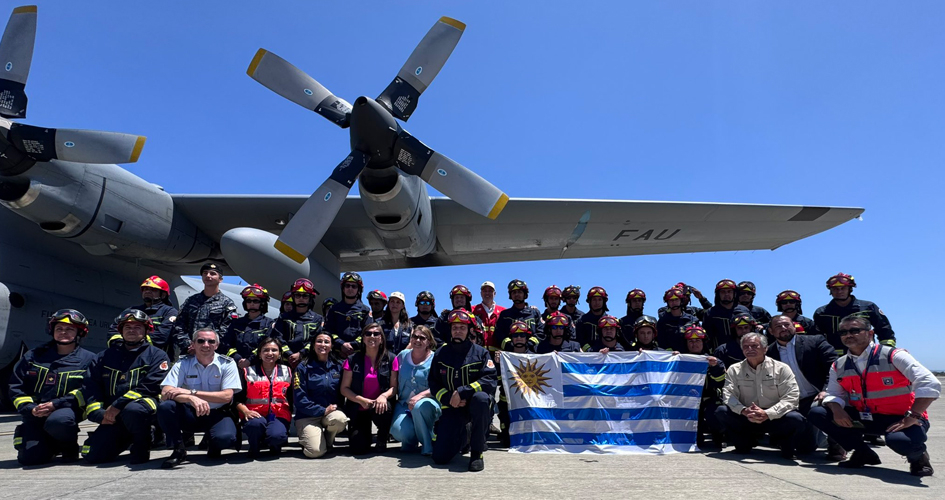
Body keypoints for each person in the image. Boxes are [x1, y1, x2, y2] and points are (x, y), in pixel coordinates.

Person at [808, 315, 940, 476]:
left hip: (902, 418)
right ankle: (862, 452)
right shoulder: (839, 364)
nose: (848, 335)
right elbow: (833, 393)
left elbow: (929, 383)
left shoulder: (893, 355)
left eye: (855, 330)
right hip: (867, 418)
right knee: (818, 412)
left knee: (901, 441)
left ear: (870, 334)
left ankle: (918, 457)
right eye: (843, 332)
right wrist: (836, 409)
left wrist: (914, 415)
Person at [80, 310, 170, 464]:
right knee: (93, 455)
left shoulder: (157, 356)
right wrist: (98, 413)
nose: (132, 331)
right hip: (113, 415)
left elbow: (150, 386)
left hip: (141, 411)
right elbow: (91, 385)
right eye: (127, 327)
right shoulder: (104, 357)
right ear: (120, 331)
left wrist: (117, 405)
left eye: (137, 327)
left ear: (147, 331)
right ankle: (125, 436)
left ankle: (144, 442)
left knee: (133, 410)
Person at [10, 309, 96, 465]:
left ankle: (68, 446)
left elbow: (87, 389)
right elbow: (16, 386)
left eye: (69, 329)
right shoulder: (33, 356)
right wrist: (30, 408)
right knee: (30, 459)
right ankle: (46, 443)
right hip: (35, 412)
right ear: (52, 331)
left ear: (80, 333)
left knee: (60, 421)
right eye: (59, 329)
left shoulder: (89, 359)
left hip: (66, 410)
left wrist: (55, 404)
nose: (63, 332)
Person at [158, 328, 242, 468]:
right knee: (166, 407)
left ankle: (213, 442)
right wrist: (190, 399)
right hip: (190, 413)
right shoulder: (183, 363)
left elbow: (227, 396)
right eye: (201, 341)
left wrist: (192, 393)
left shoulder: (227, 363)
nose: (206, 344)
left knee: (225, 439)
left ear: (216, 345)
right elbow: (166, 392)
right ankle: (179, 450)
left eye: (211, 341)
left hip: (217, 413)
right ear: (193, 344)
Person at [714, 332, 805, 459]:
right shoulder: (734, 369)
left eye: (754, 346)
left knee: (796, 418)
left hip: (775, 417)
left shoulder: (782, 368)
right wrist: (744, 410)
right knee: (721, 411)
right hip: (746, 416)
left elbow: (792, 397)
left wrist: (768, 413)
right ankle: (744, 443)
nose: (749, 349)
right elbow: (728, 395)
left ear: (765, 348)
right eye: (746, 346)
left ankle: (783, 443)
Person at [766, 315, 843, 459]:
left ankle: (836, 445)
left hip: (817, 396)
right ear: (771, 331)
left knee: (827, 407)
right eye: (778, 326)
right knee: (805, 448)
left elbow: (835, 367)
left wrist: (825, 390)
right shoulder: (769, 353)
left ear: (793, 326)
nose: (783, 328)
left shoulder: (815, 341)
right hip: (791, 403)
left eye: (787, 325)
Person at [429, 309, 497, 471]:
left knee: (481, 399)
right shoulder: (441, 354)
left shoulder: (481, 353)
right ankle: (465, 436)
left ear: (469, 331)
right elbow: (433, 382)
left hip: (475, 406)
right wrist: (448, 398)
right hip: (452, 406)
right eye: (454, 328)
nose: (457, 331)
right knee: (440, 458)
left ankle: (477, 452)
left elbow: (489, 380)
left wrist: (462, 392)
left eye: (462, 328)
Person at [340, 322, 397, 455]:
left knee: (386, 407)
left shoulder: (391, 358)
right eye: (368, 334)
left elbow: (394, 388)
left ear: (381, 338)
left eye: (376, 334)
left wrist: (383, 396)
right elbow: (344, 388)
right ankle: (364, 434)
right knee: (358, 448)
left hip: (379, 406)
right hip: (359, 407)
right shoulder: (352, 359)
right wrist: (360, 400)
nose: (372, 336)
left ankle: (382, 437)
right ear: (363, 338)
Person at [293, 332, 348, 459]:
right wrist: (322, 410)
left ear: (332, 346)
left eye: (326, 342)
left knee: (340, 419)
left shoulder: (339, 366)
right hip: (308, 416)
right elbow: (299, 398)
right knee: (315, 452)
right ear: (313, 345)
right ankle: (310, 438)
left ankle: (328, 441)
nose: (322, 345)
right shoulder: (302, 367)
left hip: (330, 413)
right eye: (319, 341)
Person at [234, 337, 292, 458]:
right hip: (254, 414)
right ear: (259, 354)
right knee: (255, 425)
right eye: (265, 350)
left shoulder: (288, 371)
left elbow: (291, 397)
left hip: (279, 415)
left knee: (277, 436)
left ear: (280, 354)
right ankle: (254, 447)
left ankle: (273, 443)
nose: (270, 353)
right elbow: (236, 399)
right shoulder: (247, 372)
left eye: (274, 350)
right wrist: (246, 411)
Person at [813, 272, 895, 356]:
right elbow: (817, 338)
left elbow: (884, 330)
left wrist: (887, 352)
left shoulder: (869, 308)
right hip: (834, 359)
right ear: (830, 291)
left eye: (843, 288)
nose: (839, 291)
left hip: (867, 356)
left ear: (850, 289)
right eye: (835, 289)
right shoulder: (821, 313)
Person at [390, 325, 440, 455]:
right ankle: (412, 440)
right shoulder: (402, 356)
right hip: (404, 404)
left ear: (429, 341)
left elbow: (439, 385)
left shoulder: (435, 359)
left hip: (428, 403)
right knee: (397, 431)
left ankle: (427, 445)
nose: (417, 340)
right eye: (414, 337)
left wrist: (421, 396)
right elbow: (394, 382)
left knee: (419, 407)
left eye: (422, 338)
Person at [170, 263, 238, 355]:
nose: (208, 276)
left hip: (214, 354)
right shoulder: (191, 301)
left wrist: (207, 347)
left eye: (212, 273)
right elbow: (179, 325)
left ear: (220, 279)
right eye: (205, 273)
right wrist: (188, 345)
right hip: (190, 352)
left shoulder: (227, 303)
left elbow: (227, 331)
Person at [108, 275, 179, 358]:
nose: (147, 291)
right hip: (127, 358)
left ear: (163, 295)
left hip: (155, 359)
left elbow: (161, 337)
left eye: (153, 290)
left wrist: (134, 344)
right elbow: (113, 331)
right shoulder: (131, 310)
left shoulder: (169, 312)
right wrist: (121, 344)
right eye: (145, 289)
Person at [678, 325, 725, 449]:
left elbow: (721, 382)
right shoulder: (680, 361)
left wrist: (715, 368)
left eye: (698, 341)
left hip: (709, 399)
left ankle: (718, 437)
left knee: (716, 414)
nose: (694, 344)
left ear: (704, 342)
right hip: (688, 401)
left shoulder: (714, 361)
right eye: (691, 341)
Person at [497, 321, 539, 447]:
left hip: (529, 400)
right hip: (508, 401)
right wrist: (498, 363)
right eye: (515, 336)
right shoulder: (503, 357)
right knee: (507, 442)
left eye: (522, 336)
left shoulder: (536, 358)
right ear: (511, 339)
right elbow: (497, 379)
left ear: (527, 338)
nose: (519, 338)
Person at [221, 284, 275, 369]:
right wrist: (237, 358)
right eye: (249, 301)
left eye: (255, 301)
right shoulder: (236, 324)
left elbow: (268, 345)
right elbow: (226, 344)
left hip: (261, 368)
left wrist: (250, 360)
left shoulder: (269, 324)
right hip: (237, 366)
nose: (252, 304)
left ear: (262, 303)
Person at [271, 278, 323, 367]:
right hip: (285, 363)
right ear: (293, 297)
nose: (301, 299)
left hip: (309, 363)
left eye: (305, 296)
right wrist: (289, 354)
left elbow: (316, 340)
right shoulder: (283, 317)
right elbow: (278, 337)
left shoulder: (317, 319)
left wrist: (301, 354)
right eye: (298, 295)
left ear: (310, 298)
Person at [325, 272, 374, 358]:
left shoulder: (365, 310)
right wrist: (341, 344)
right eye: (347, 286)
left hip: (358, 356)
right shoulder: (334, 309)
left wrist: (352, 345)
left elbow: (367, 332)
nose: (350, 288)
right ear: (343, 288)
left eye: (354, 286)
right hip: (336, 355)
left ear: (359, 290)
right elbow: (328, 330)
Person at [702, 279, 751, 349]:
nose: (726, 294)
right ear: (718, 294)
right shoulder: (711, 313)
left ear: (734, 293)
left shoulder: (744, 310)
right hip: (720, 354)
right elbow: (707, 337)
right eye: (723, 292)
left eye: (729, 291)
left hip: (743, 352)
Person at [493, 279, 542, 351]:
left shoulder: (534, 313)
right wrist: (510, 345)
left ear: (525, 294)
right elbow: (498, 334)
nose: (516, 295)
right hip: (510, 356)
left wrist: (529, 343)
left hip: (532, 355)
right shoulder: (505, 315)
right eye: (514, 293)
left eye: (519, 292)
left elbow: (541, 332)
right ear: (510, 295)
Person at [657, 287, 700, 352]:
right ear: (667, 302)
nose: (674, 302)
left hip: (691, 357)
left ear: (681, 301)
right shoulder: (662, 322)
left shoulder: (693, 320)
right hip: (672, 358)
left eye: (676, 300)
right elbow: (661, 343)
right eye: (671, 300)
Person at [473, 281, 506, 353]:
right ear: (481, 293)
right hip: (478, 353)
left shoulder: (504, 311)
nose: (487, 293)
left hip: (498, 355)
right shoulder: (472, 310)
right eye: (485, 291)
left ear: (495, 294)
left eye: (490, 291)